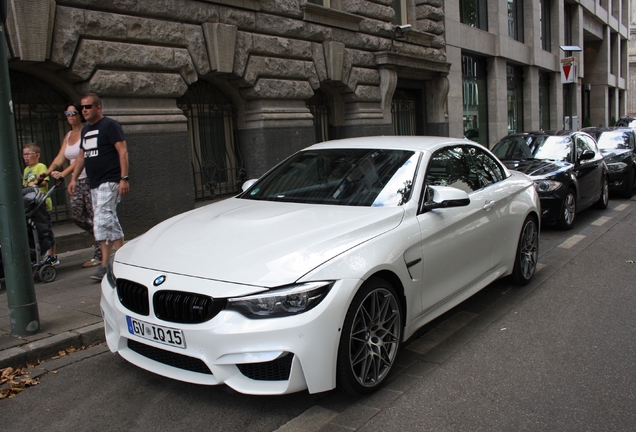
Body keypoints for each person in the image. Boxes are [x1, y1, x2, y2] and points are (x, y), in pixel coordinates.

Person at [68, 93, 130, 281]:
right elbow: (81, 157)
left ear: (98, 108)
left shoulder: (110, 125)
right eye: (82, 108)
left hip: (109, 180)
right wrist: (73, 179)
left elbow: (122, 151)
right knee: (109, 219)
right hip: (93, 182)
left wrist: (124, 178)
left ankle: (104, 265)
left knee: (101, 220)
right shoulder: (86, 130)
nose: (84, 110)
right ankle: (123, 258)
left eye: (88, 107)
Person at [40, 103, 102, 268]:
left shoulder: (87, 132)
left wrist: (64, 174)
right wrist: (46, 173)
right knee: (77, 216)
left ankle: (100, 254)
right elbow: (60, 158)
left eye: (73, 112)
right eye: (67, 113)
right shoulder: (67, 136)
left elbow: (80, 159)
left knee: (94, 216)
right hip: (77, 181)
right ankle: (102, 236)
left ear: (80, 115)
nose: (70, 116)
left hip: (89, 179)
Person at [22, 142, 58, 265]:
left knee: (46, 229)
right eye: (24, 154)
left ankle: (52, 256)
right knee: (35, 230)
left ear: (37, 155)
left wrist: (36, 182)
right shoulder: (26, 170)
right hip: (32, 205)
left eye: (28, 154)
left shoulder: (41, 166)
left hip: (42, 203)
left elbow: (44, 182)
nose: (26, 157)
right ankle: (39, 253)